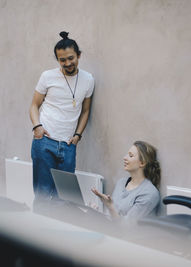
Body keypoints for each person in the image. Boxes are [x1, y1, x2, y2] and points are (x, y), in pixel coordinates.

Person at [29, 31, 94, 208]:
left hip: (68, 146)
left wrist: (78, 136)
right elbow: (34, 105)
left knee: (65, 199)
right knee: (42, 194)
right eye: (62, 60)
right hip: (44, 142)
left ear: (79, 55)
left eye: (71, 58)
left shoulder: (88, 80)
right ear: (57, 60)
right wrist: (37, 127)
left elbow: (86, 110)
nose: (67, 63)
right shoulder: (47, 76)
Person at [92, 141, 161, 221]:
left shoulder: (150, 193)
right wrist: (96, 213)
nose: (125, 158)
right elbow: (111, 218)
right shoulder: (121, 182)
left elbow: (127, 229)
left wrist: (110, 207)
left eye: (130, 156)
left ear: (142, 163)